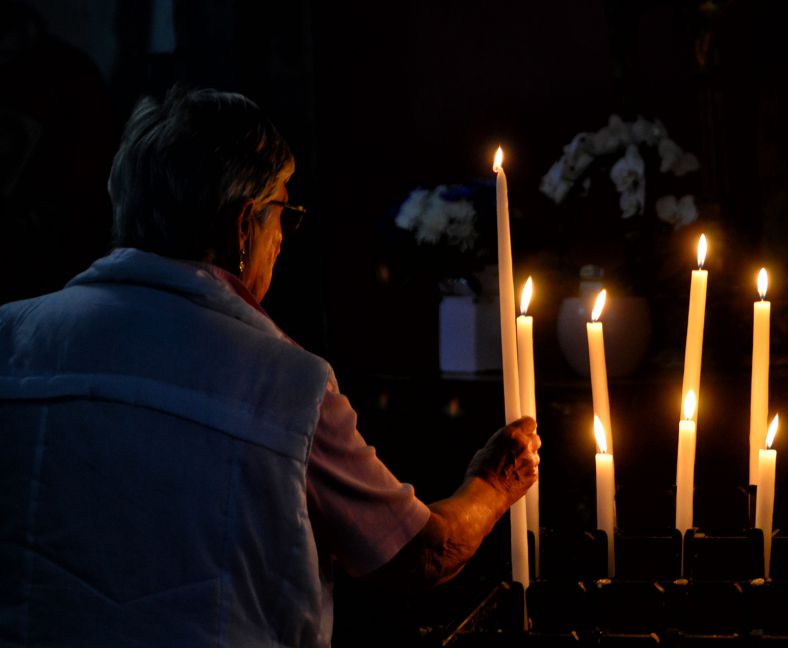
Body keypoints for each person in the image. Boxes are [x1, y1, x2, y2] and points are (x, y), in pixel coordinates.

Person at [0, 86, 540, 647]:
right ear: (243, 226)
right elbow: (419, 557)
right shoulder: (287, 385)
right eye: (284, 213)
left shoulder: (11, 335)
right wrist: (493, 483)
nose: (282, 240)